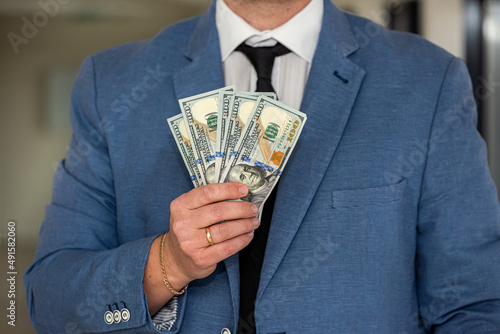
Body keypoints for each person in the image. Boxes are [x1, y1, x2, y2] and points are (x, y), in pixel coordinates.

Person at [24, 0, 500, 333]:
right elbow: (49, 303)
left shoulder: (428, 81)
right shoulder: (109, 84)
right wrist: (167, 262)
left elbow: (477, 304)